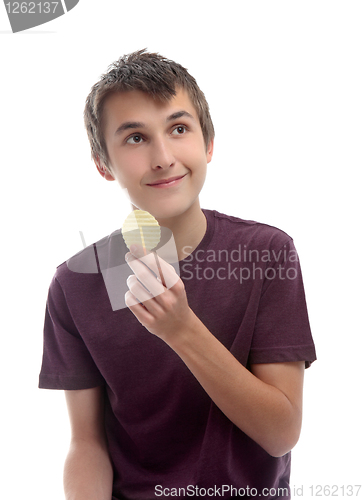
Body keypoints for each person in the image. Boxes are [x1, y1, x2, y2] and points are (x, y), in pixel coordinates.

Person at [39, 49, 316, 500]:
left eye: (179, 129)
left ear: (208, 143)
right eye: (135, 138)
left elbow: (281, 432)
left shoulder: (267, 253)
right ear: (103, 164)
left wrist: (181, 329)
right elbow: (86, 443)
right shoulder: (75, 285)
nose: (163, 157)